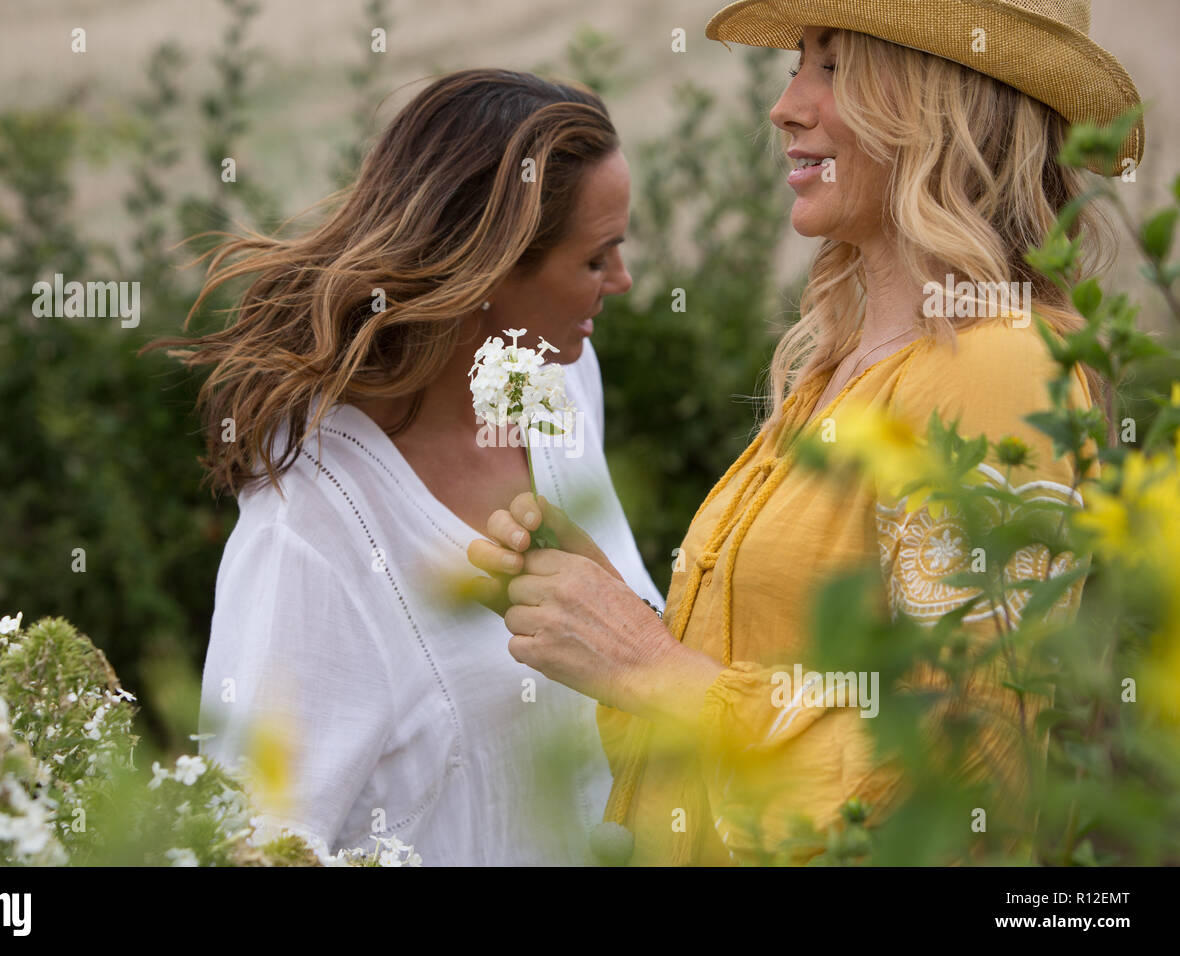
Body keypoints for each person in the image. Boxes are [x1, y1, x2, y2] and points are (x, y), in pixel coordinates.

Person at [468, 0, 1141, 865]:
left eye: (834, 68)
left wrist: (647, 666)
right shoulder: (838, 372)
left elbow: (971, 766)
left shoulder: (997, 368)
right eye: (798, 66)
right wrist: (604, 611)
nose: (786, 105)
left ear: (946, 104)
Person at [145, 69, 662, 865]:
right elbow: (253, 841)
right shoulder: (313, 534)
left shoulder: (556, 386)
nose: (622, 281)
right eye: (597, 259)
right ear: (490, 271)